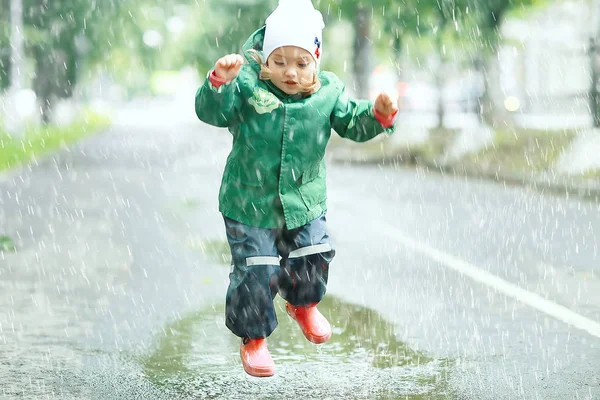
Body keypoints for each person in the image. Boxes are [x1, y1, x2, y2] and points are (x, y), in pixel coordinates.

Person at [194, 0, 398, 377]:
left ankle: (303, 304)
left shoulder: (327, 93)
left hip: (303, 200)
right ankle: (253, 337)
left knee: (314, 250)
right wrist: (219, 84)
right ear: (265, 61)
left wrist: (379, 115)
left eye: (302, 63)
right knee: (257, 267)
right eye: (280, 61)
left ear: (316, 61)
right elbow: (211, 112)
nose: (291, 72)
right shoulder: (246, 86)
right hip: (248, 201)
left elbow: (353, 120)